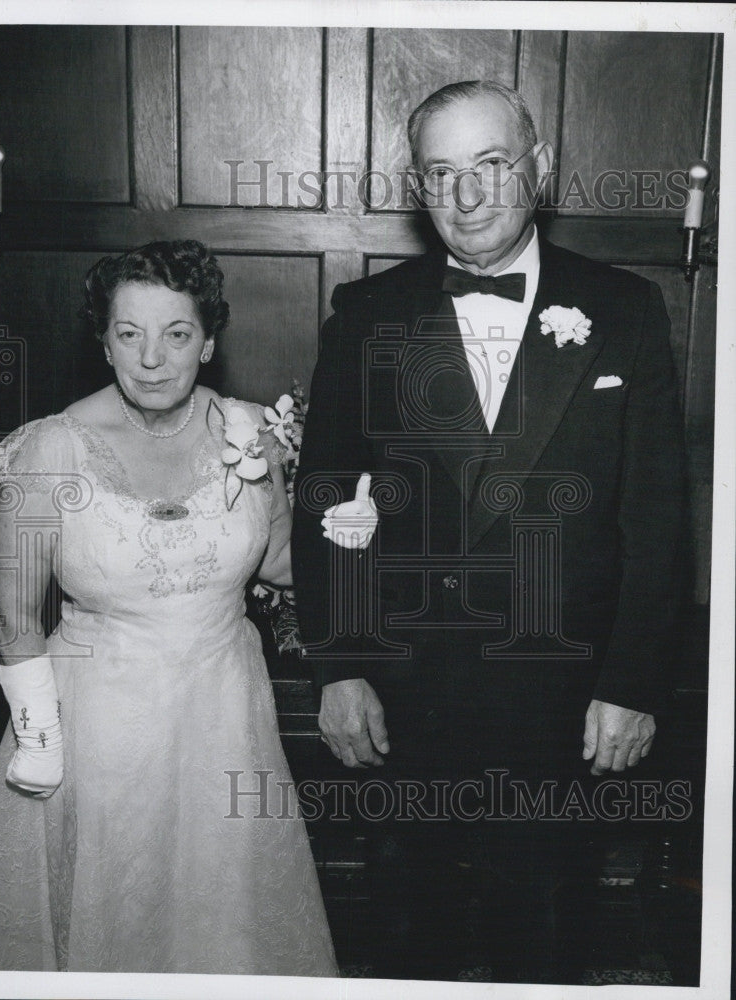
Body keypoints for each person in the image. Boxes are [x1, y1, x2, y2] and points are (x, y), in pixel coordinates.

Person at [292, 81, 685, 982]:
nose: (466, 198)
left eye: (490, 165)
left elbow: (656, 521)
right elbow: (325, 501)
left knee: (545, 938)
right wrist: (341, 666)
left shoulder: (622, 309)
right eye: (440, 173)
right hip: (404, 699)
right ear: (418, 187)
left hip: (563, 703)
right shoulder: (367, 315)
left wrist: (632, 684)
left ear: (539, 169)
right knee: (402, 939)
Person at [0, 240, 337, 976]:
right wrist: (42, 743)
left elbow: (278, 562)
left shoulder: (248, 431)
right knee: (113, 912)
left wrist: (351, 537)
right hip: (97, 723)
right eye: (129, 334)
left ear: (207, 341)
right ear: (103, 342)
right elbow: (15, 617)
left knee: (225, 918)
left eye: (175, 334)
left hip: (225, 712)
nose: (151, 358)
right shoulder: (51, 449)